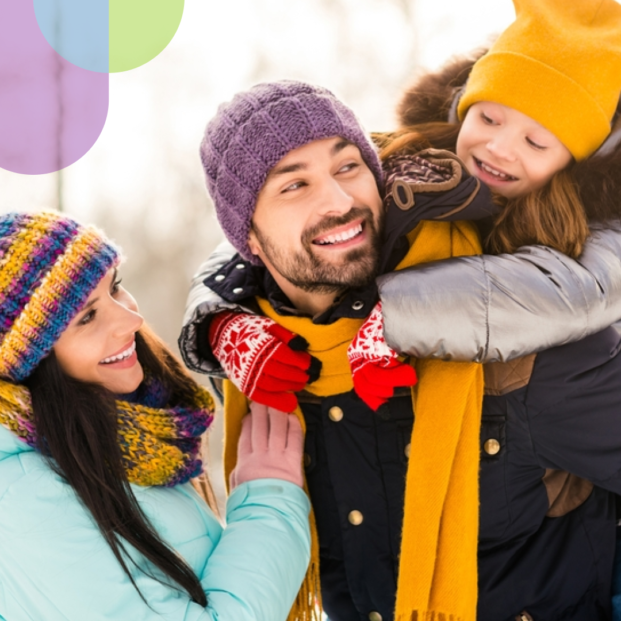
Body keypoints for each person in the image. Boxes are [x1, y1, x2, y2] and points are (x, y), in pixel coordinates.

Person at [180, 1, 621, 619]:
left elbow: (585, 289)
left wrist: (397, 319)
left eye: (346, 166)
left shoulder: (540, 342)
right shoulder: (269, 367)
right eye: (294, 183)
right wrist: (216, 324)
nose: (338, 199)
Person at [0, 210, 311, 621]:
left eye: (117, 287)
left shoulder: (118, 442)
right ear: (29, 364)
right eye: (87, 317)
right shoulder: (23, 501)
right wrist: (268, 505)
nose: (131, 319)